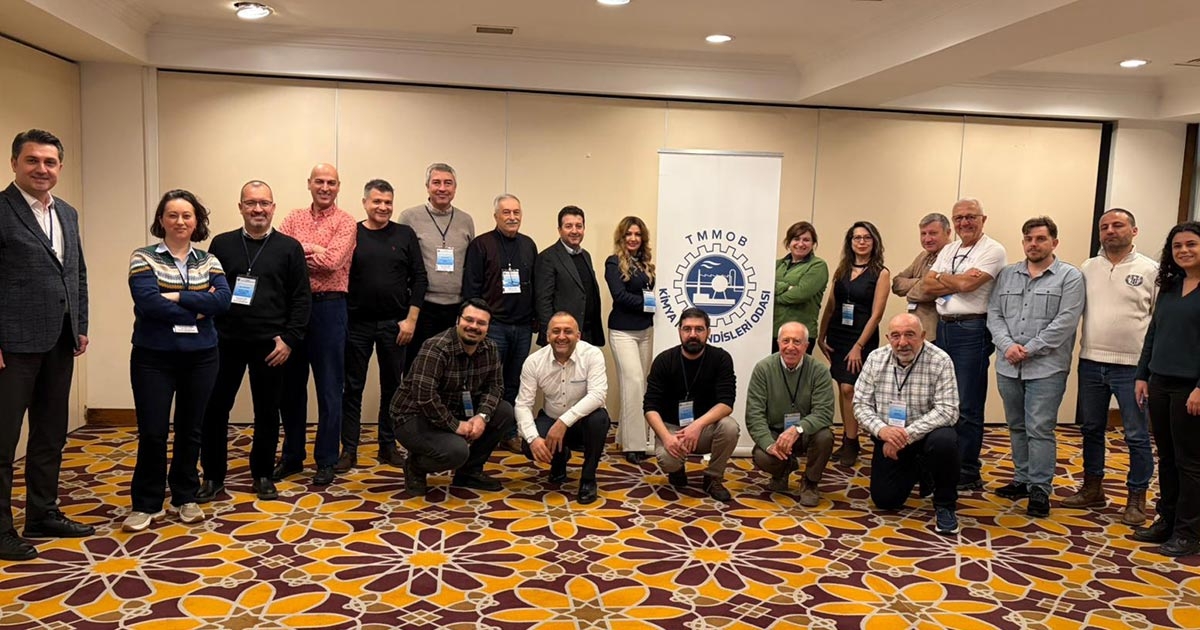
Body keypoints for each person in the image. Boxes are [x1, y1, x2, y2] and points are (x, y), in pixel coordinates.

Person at [0, 129, 93, 560]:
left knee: (50, 434)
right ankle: (1, 529)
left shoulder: (67, 213)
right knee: (3, 441)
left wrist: (80, 324)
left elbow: (77, 272)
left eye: (50, 162)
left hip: (59, 340)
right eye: (32, 160)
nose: (42, 169)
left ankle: (42, 513)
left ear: (59, 167)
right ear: (14, 163)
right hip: (11, 346)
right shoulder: (2, 210)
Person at [123, 190, 232, 531]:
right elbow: (148, 303)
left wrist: (174, 295)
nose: (180, 221)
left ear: (196, 221)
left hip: (201, 358)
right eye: (172, 215)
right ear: (161, 220)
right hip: (153, 359)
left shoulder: (209, 260)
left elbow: (223, 301)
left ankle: (185, 496)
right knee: (153, 432)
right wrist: (198, 305)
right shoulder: (143, 257)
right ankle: (146, 503)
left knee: (191, 429)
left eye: (187, 215)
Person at [201, 180, 310, 502]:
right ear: (240, 207)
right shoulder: (221, 244)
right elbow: (208, 290)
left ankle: (262, 473)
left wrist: (289, 340)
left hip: (271, 345)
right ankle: (212, 476)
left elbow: (301, 299)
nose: (258, 209)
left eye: (264, 203)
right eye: (251, 203)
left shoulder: (289, 248)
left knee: (267, 412)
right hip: (225, 342)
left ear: (273, 207)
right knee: (215, 409)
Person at [987, 216, 1084, 518]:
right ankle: (1022, 478)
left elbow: (1065, 322)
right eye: (1028, 239)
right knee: (1016, 425)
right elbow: (994, 313)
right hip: (1008, 365)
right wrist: (1007, 346)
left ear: (1054, 242)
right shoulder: (1007, 275)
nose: (1033, 244)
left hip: (1047, 368)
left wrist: (1028, 349)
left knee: (1040, 428)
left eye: (1040, 238)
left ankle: (1040, 488)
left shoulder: (1069, 277)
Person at [1066, 208, 1156, 524]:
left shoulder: (1150, 270)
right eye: (1104, 226)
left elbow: (1158, 320)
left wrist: (1148, 368)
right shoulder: (1087, 268)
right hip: (1091, 361)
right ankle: (1092, 488)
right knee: (1091, 429)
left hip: (1132, 368)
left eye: (1118, 225)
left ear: (1134, 231)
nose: (1110, 231)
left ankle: (1136, 498)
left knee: (1135, 434)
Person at [336, 179, 427, 473]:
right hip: (357, 324)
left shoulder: (404, 234)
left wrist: (411, 320)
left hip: (395, 325)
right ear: (365, 203)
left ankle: (388, 445)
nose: (383, 207)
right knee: (352, 387)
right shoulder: (352, 233)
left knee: (393, 387)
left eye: (388, 202)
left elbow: (420, 278)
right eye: (377, 201)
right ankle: (349, 449)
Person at [919, 198, 1008, 492]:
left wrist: (944, 278)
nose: (964, 222)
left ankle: (968, 469)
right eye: (959, 218)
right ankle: (945, 461)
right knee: (942, 398)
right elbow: (927, 285)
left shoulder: (993, 250)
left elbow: (969, 286)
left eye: (971, 216)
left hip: (972, 329)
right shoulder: (949, 249)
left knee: (967, 403)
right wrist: (955, 280)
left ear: (983, 219)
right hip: (944, 327)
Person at [277, 163, 357, 486]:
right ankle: (292, 456)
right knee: (291, 388)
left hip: (329, 308)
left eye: (331, 183)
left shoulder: (346, 221)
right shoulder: (293, 217)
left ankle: (326, 459)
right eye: (319, 181)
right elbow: (283, 257)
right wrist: (313, 249)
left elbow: (333, 261)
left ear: (338, 186)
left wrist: (301, 252)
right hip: (294, 308)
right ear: (309, 184)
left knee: (329, 388)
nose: (325, 187)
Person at [390, 299, 516, 496]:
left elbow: (495, 387)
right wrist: (456, 425)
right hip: (412, 416)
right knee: (457, 451)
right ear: (458, 320)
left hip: (453, 408)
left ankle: (468, 473)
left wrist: (482, 417)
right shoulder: (436, 347)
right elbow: (425, 398)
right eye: (469, 320)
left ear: (488, 327)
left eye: (481, 323)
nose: (474, 326)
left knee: (504, 411)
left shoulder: (490, 348)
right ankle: (415, 466)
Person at [855, 313, 961, 535]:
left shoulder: (940, 360)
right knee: (885, 500)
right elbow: (860, 405)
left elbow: (948, 410)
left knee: (945, 441)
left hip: (924, 436)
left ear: (923, 336)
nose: (902, 342)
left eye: (909, 335)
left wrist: (906, 435)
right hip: (888, 437)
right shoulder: (875, 359)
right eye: (896, 336)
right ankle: (920, 469)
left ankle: (945, 505)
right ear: (888, 338)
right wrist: (882, 430)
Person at [1132, 221, 1200, 558]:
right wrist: (1142, 374)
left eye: (1191, 244)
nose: (1183, 250)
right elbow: (1154, 333)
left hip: (1192, 388)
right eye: (1177, 246)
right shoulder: (1171, 286)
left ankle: (1189, 532)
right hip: (1159, 381)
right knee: (1168, 457)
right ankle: (1167, 521)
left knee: (1191, 463)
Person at [463, 193, 537, 454]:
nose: (512, 217)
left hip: (522, 327)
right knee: (485, 382)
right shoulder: (481, 245)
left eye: (516, 212)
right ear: (495, 216)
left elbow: (535, 285)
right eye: (506, 212)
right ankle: (480, 432)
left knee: (514, 383)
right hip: (493, 327)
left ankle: (509, 433)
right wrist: (477, 324)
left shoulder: (528, 245)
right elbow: (471, 288)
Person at [643, 308, 739, 501]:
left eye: (699, 329)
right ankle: (676, 469)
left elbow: (726, 403)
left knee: (730, 427)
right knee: (668, 460)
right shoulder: (664, 360)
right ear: (679, 331)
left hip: (704, 429)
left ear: (708, 332)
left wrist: (697, 425)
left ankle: (713, 477)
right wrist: (666, 438)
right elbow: (650, 407)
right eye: (687, 329)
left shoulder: (721, 359)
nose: (693, 334)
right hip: (672, 429)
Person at [514, 312, 609, 504]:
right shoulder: (534, 361)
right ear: (547, 336)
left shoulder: (592, 354)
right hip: (551, 419)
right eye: (556, 331)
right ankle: (559, 458)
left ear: (578, 335)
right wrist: (533, 439)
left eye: (568, 331)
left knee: (599, 419)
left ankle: (588, 478)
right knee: (528, 445)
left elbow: (598, 395)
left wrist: (564, 422)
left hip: (584, 424)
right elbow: (523, 404)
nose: (562, 336)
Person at [817, 221, 890, 467]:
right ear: (850, 242)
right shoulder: (842, 270)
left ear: (874, 241)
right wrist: (821, 335)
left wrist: (859, 345)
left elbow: (877, 315)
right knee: (842, 385)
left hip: (861, 336)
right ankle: (849, 440)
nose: (861, 242)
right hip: (838, 334)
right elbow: (831, 306)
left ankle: (851, 440)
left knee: (851, 388)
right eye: (856, 237)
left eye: (866, 237)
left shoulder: (881, 273)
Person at [745, 322, 834, 507]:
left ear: (806, 346)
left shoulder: (819, 371)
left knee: (825, 437)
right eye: (786, 341)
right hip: (776, 433)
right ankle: (783, 471)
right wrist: (769, 445)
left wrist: (797, 429)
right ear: (778, 343)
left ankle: (810, 482)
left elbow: (824, 413)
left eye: (797, 342)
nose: (790, 347)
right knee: (762, 455)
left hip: (806, 433)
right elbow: (754, 415)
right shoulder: (763, 369)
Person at [399, 163, 475, 374]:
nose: (442, 188)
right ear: (427, 186)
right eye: (436, 183)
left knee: (451, 368)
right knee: (417, 367)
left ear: (455, 188)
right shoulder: (409, 217)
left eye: (448, 183)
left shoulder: (466, 220)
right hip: (422, 307)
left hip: (456, 308)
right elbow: (403, 265)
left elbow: (470, 265)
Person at [605, 216, 656, 464]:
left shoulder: (645, 264)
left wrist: (651, 305)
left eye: (637, 234)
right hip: (622, 331)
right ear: (622, 237)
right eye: (629, 234)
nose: (633, 238)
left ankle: (624, 436)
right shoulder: (613, 262)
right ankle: (634, 446)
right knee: (633, 382)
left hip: (645, 330)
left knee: (638, 386)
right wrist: (649, 305)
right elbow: (620, 296)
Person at [534, 206, 605, 347]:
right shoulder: (548, 257)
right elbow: (543, 301)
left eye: (579, 226)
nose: (574, 231)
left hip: (586, 332)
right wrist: (551, 335)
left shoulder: (585, 255)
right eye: (568, 226)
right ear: (559, 230)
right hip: (561, 336)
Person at [891, 213, 952, 341]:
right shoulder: (923, 256)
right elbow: (896, 284)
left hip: (938, 333)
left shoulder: (951, 258)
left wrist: (911, 290)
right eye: (923, 234)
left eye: (933, 233)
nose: (927, 239)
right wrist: (920, 282)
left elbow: (927, 292)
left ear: (948, 233)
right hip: (917, 331)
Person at [774, 221, 828, 354]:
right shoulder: (777, 264)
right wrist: (787, 287)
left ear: (813, 243)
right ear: (788, 242)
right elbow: (764, 287)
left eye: (806, 240)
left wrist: (773, 296)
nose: (800, 243)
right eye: (796, 239)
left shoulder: (818, 266)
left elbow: (800, 294)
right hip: (774, 333)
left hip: (801, 335)